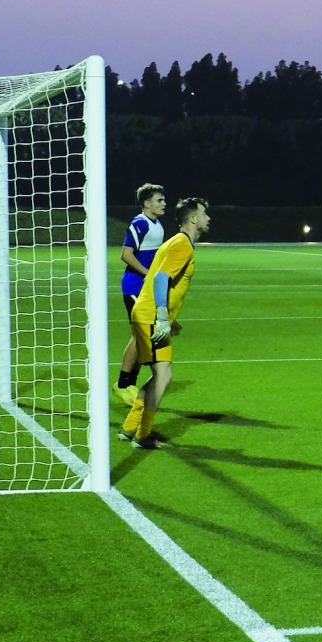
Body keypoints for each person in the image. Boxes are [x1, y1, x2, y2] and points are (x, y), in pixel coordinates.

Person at [119, 197, 211, 450]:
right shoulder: (182, 245)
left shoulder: (175, 242)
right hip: (151, 316)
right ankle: (142, 435)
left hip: (148, 313)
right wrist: (162, 316)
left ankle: (130, 427)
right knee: (163, 374)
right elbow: (160, 279)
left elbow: (159, 283)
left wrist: (171, 319)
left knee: (160, 374)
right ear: (193, 219)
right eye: (204, 214)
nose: (208, 218)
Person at [113, 184, 167, 405]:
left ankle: (128, 384)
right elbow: (125, 254)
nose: (163, 203)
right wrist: (148, 274)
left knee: (141, 337)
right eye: (159, 200)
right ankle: (123, 385)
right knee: (139, 336)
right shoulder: (139, 223)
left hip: (146, 288)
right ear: (146, 203)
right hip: (135, 287)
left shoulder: (157, 225)